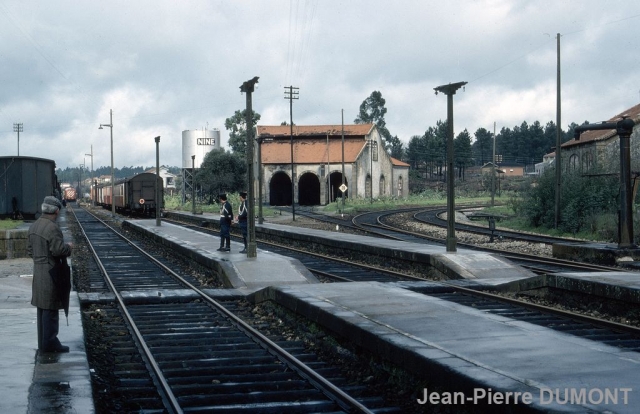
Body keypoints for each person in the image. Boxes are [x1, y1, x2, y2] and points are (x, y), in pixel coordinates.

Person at [27, 196, 73, 353]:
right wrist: (68, 247)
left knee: (42, 307)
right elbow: (58, 250)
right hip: (51, 271)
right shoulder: (52, 228)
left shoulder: (34, 226)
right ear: (57, 211)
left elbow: (29, 250)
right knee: (51, 308)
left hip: (38, 270)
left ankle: (43, 342)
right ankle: (51, 343)